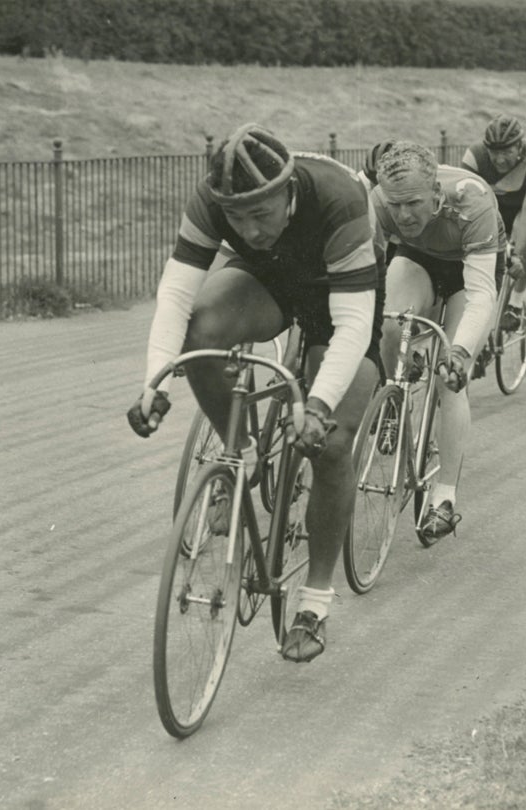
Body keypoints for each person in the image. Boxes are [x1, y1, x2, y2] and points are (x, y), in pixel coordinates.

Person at [126, 123, 385, 663]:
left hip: (336, 292)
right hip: (268, 278)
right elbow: (176, 292)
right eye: (237, 218)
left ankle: (314, 601)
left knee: (332, 442)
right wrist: (154, 379)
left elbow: (355, 325)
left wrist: (317, 404)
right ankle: (239, 454)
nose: (250, 227)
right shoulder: (216, 201)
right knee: (200, 330)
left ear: (288, 192)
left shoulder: (339, 198)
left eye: (261, 214)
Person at [370, 141, 511, 538]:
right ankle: (395, 398)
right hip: (418, 258)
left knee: (451, 379)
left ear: (436, 193)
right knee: (389, 322)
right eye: (395, 205)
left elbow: (482, 293)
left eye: (413, 203)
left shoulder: (473, 200)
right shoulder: (379, 202)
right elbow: (367, 279)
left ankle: (444, 497)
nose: (403, 214)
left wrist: (461, 352)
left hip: (472, 267)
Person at [460, 115, 526, 332]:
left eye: (507, 152)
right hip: (498, 202)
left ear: (520, 147)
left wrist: (515, 254)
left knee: (524, 230)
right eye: (494, 153)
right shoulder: (474, 157)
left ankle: (516, 302)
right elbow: (468, 206)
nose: (500, 159)